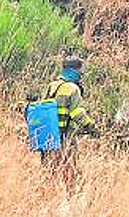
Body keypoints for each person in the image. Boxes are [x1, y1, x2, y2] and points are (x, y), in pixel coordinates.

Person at [41, 56, 98, 188]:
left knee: (50, 173)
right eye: (81, 71)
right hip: (65, 138)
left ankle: (47, 197)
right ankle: (71, 200)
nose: (82, 75)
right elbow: (76, 112)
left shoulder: (52, 86)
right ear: (75, 70)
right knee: (70, 173)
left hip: (49, 136)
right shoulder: (73, 88)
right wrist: (92, 128)